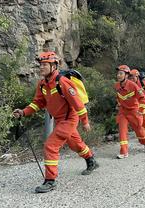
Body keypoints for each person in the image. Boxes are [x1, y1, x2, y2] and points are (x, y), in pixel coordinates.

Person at [13, 51, 98, 193]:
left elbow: (78, 104)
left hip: (69, 119)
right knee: (75, 144)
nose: (41, 67)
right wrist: (23, 112)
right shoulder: (42, 84)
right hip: (59, 120)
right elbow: (37, 103)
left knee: (50, 146)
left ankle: (50, 180)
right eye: (40, 65)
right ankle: (91, 160)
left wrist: (85, 122)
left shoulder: (63, 82)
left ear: (54, 66)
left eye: (45, 64)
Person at [114, 65, 145, 159]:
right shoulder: (116, 85)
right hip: (123, 111)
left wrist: (141, 110)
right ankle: (124, 152)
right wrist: (118, 104)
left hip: (134, 111)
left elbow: (142, 98)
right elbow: (118, 96)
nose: (118, 75)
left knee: (139, 130)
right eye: (118, 73)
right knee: (122, 130)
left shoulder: (133, 85)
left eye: (121, 73)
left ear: (126, 75)